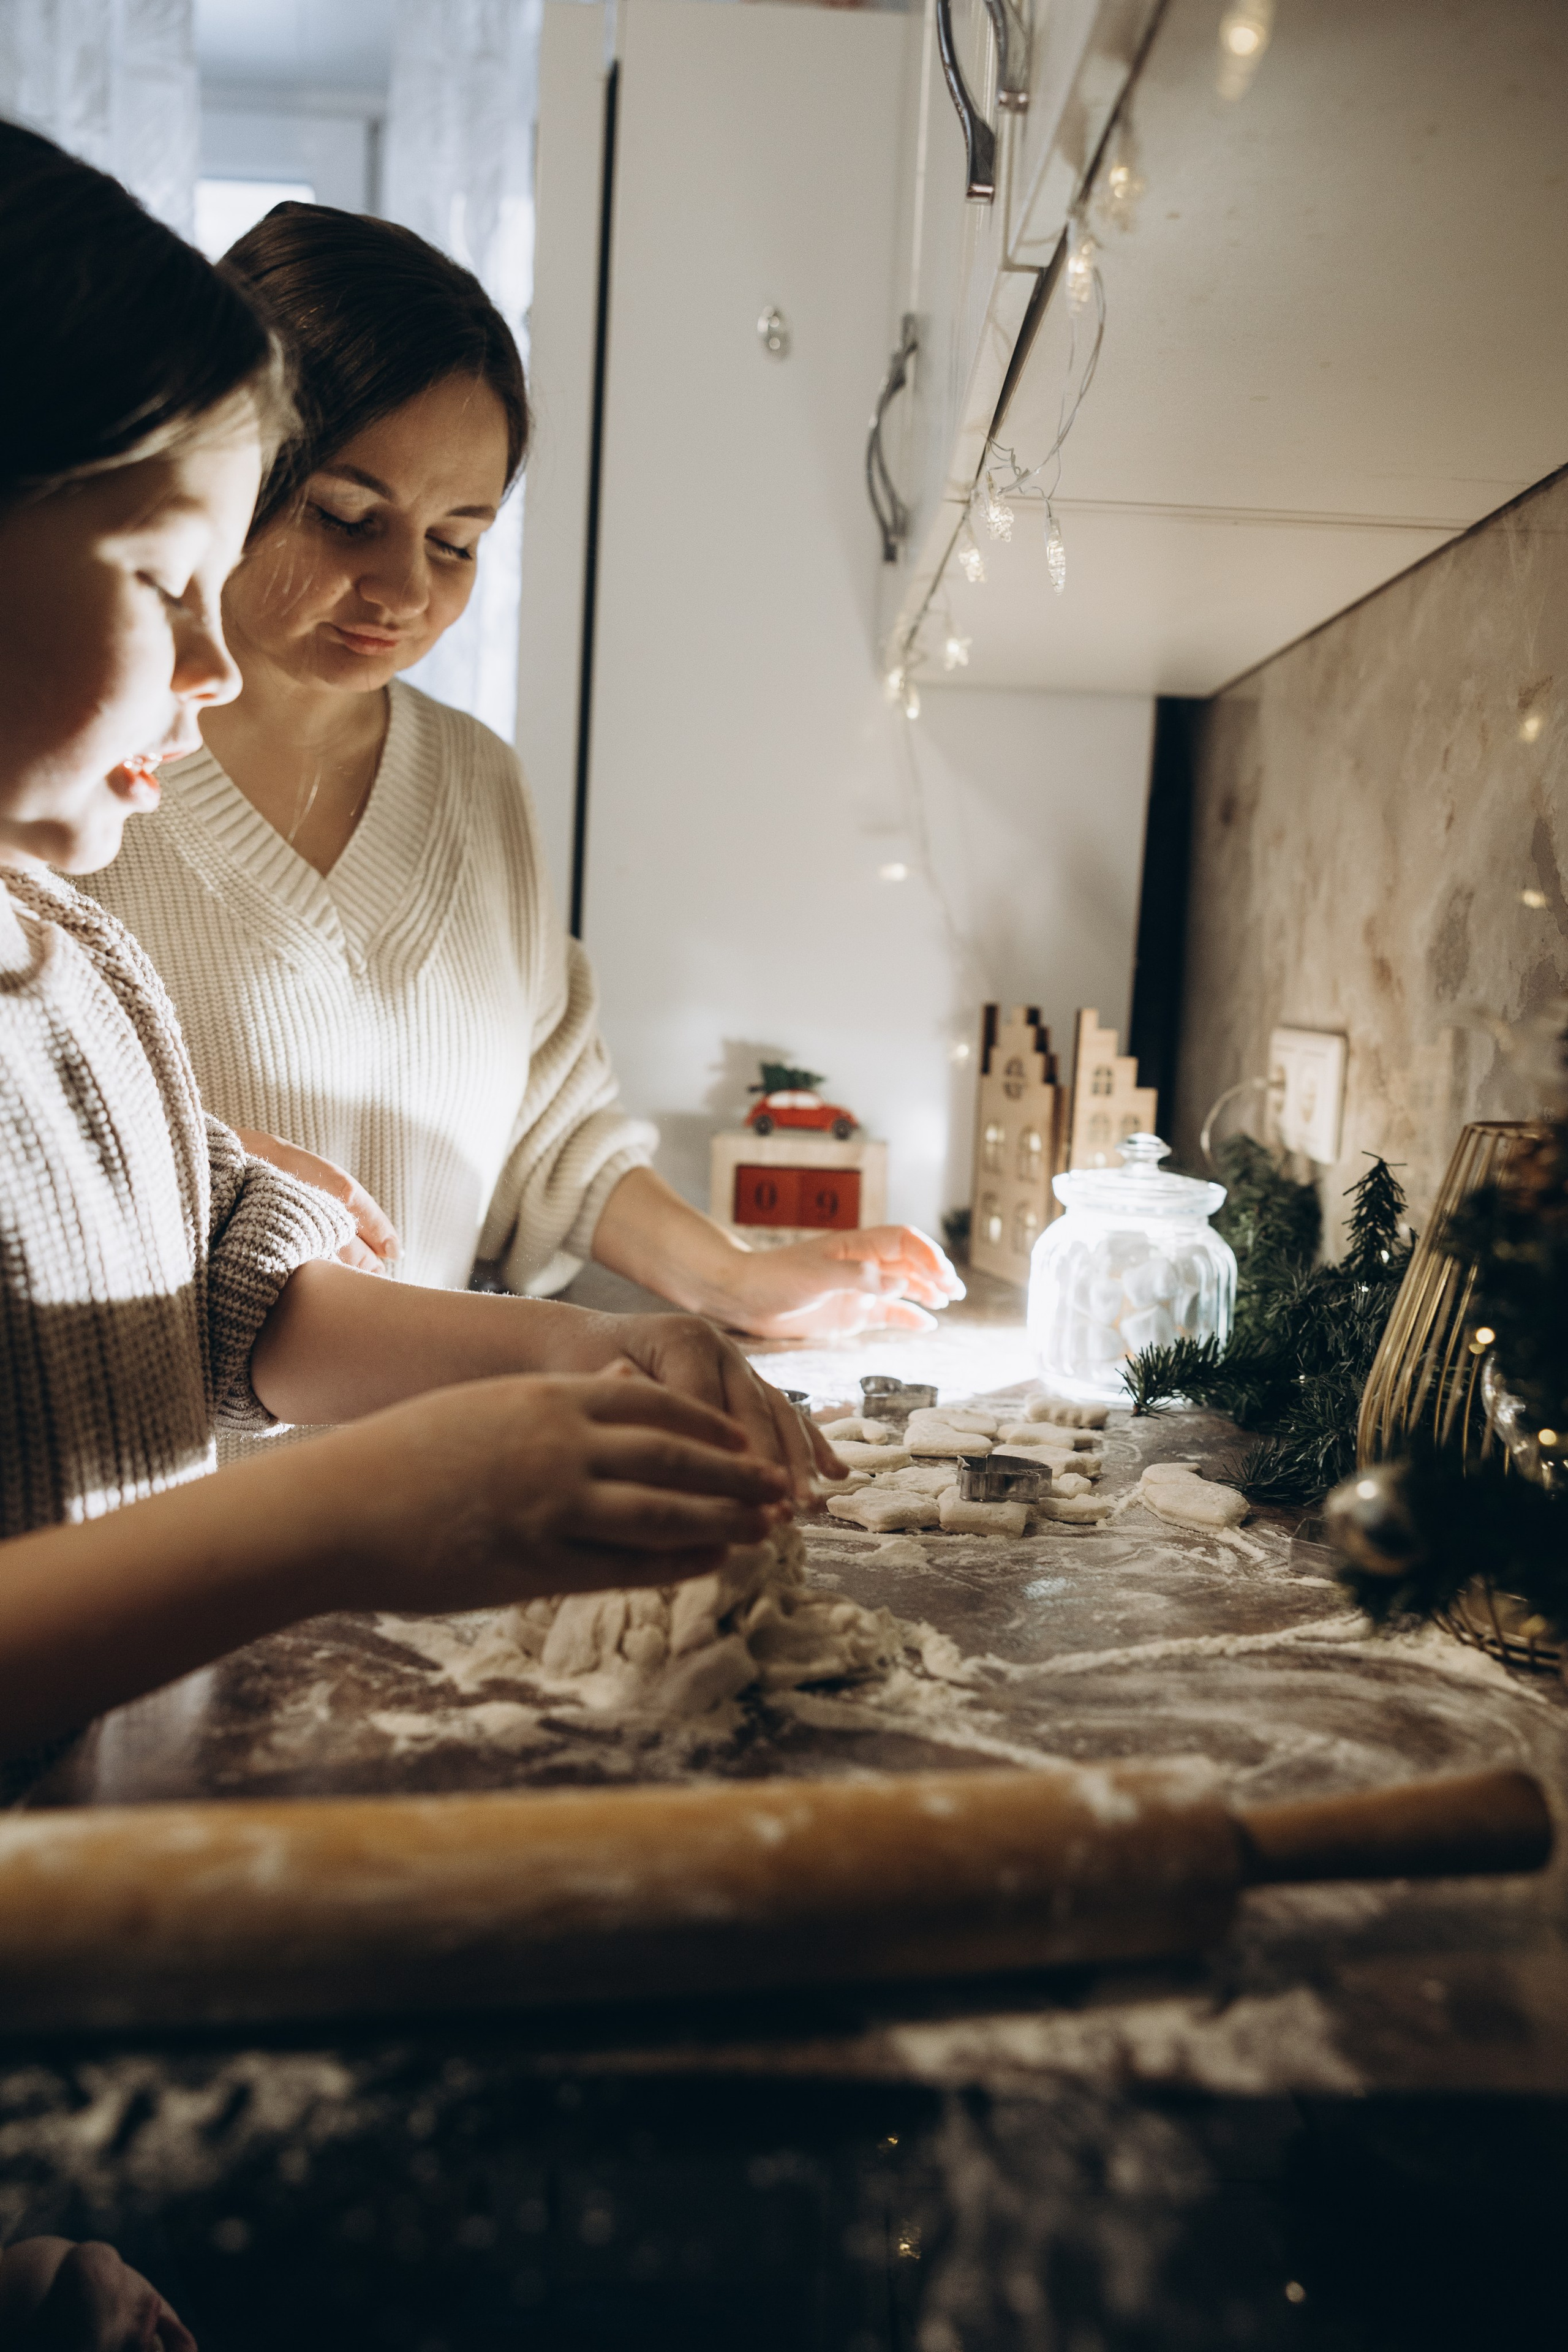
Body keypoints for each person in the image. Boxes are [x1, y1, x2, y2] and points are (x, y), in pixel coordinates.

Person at [0, 119, 842, 1784]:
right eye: (169, 573)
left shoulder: (68, 967)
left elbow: (236, 1302)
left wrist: (586, 1358)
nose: (213, 657)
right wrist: (355, 1511)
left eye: (457, 541)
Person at [88, 203, 963, 1341]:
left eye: (457, 542)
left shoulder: (473, 781)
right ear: (222, 468)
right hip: (158, 1503)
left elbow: (546, 1128)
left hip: (428, 1468)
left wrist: (738, 1281)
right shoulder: (70, 784)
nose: (405, 592)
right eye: (350, 517)